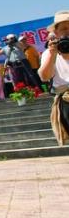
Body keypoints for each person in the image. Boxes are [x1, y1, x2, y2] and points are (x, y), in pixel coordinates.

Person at [39, 11, 69, 145]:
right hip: (66, 99)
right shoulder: (49, 53)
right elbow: (45, 77)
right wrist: (53, 54)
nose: (68, 31)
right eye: (64, 28)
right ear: (56, 33)